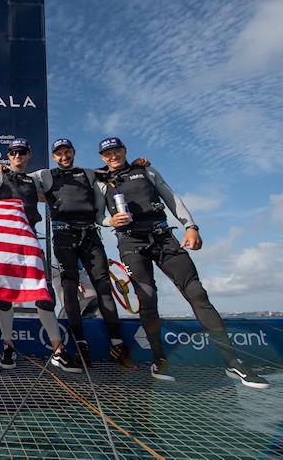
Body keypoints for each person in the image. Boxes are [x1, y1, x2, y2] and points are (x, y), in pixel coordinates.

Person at [96, 137, 268, 388]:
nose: (113, 156)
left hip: (164, 237)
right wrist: (110, 222)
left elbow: (172, 198)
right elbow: (99, 216)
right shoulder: (100, 182)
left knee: (197, 293)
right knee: (148, 298)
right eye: (107, 153)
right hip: (131, 243)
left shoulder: (146, 170)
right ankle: (159, 360)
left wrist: (191, 227)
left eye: (117, 150)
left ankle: (233, 363)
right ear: (102, 157)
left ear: (125, 150)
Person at [31, 138, 138, 371]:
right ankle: (81, 346)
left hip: (90, 235)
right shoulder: (46, 175)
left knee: (103, 288)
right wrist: (0, 169)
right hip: (63, 236)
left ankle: (117, 345)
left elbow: (113, 172)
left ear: (73, 152)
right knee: (69, 289)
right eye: (59, 153)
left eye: (67, 151)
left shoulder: (89, 174)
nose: (64, 156)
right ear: (53, 157)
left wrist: (138, 164)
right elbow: (19, 176)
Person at [0, 138, 80, 372]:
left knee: (44, 293)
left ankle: (58, 350)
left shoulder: (34, 178)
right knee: (5, 294)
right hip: (4, 240)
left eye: (22, 152)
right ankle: (8, 346)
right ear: (8, 155)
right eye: (14, 152)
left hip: (29, 239)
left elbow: (56, 189)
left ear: (28, 155)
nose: (18, 156)